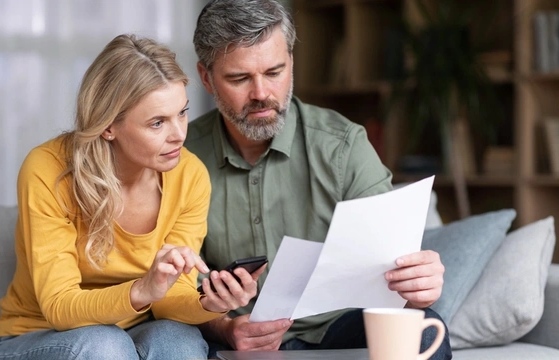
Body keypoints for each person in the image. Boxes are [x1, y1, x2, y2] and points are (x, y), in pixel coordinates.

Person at [184, 1, 452, 359]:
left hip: (334, 326)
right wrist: (224, 327)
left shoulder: (343, 145)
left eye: (275, 71)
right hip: (226, 333)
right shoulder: (178, 156)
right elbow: (171, 286)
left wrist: (418, 283)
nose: (262, 93)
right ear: (206, 78)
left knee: (421, 328)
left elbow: (394, 262)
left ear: (291, 62)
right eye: (239, 78)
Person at [0, 34, 262, 360]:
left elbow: (170, 298)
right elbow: (59, 306)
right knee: (106, 345)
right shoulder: (48, 170)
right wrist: (143, 289)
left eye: (182, 113)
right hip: (40, 336)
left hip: (132, 332)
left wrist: (208, 303)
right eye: (158, 122)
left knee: (180, 341)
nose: (179, 135)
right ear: (108, 126)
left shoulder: (190, 175)